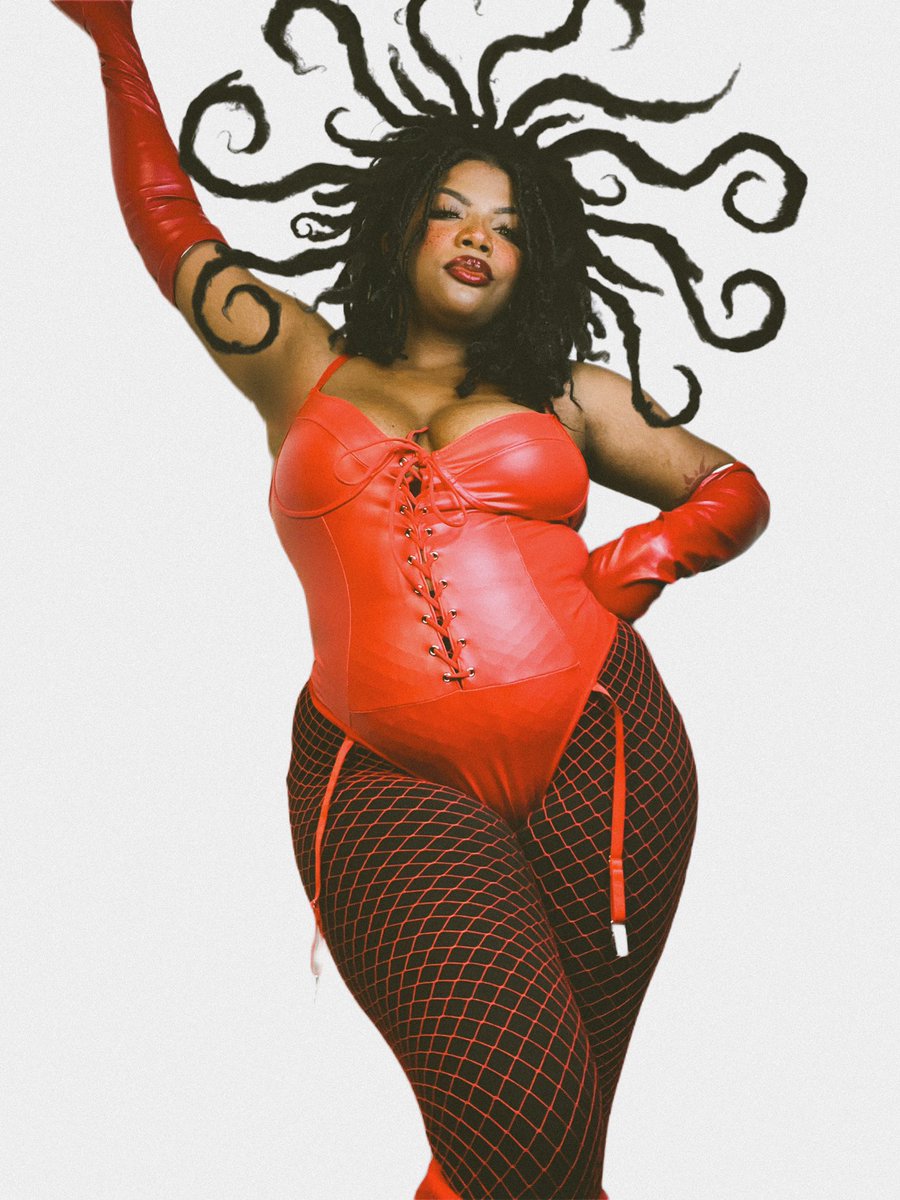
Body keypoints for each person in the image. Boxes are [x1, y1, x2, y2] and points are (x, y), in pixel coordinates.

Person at [52, 2, 796, 1196]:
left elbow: (732, 489)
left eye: (508, 225)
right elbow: (167, 225)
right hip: (380, 773)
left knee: (548, 1150)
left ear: (538, 260)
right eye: (450, 209)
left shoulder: (571, 396)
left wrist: (641, 559)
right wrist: (114, 40)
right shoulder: (298, 364)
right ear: (400, 221)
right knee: (527, 1124)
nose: (476, 236)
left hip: (606, 749)